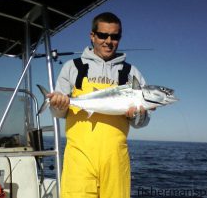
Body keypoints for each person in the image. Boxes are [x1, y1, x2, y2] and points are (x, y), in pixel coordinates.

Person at [48, 12, 151, 198]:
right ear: (92, 36)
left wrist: (135, 115)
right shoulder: (73, 67)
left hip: (115, 160)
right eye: (103, 35)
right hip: (79, 158)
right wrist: (59, 104)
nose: (108, 41)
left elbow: (141, 122)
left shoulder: (131, 72)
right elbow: (57, 113)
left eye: (115, 36)